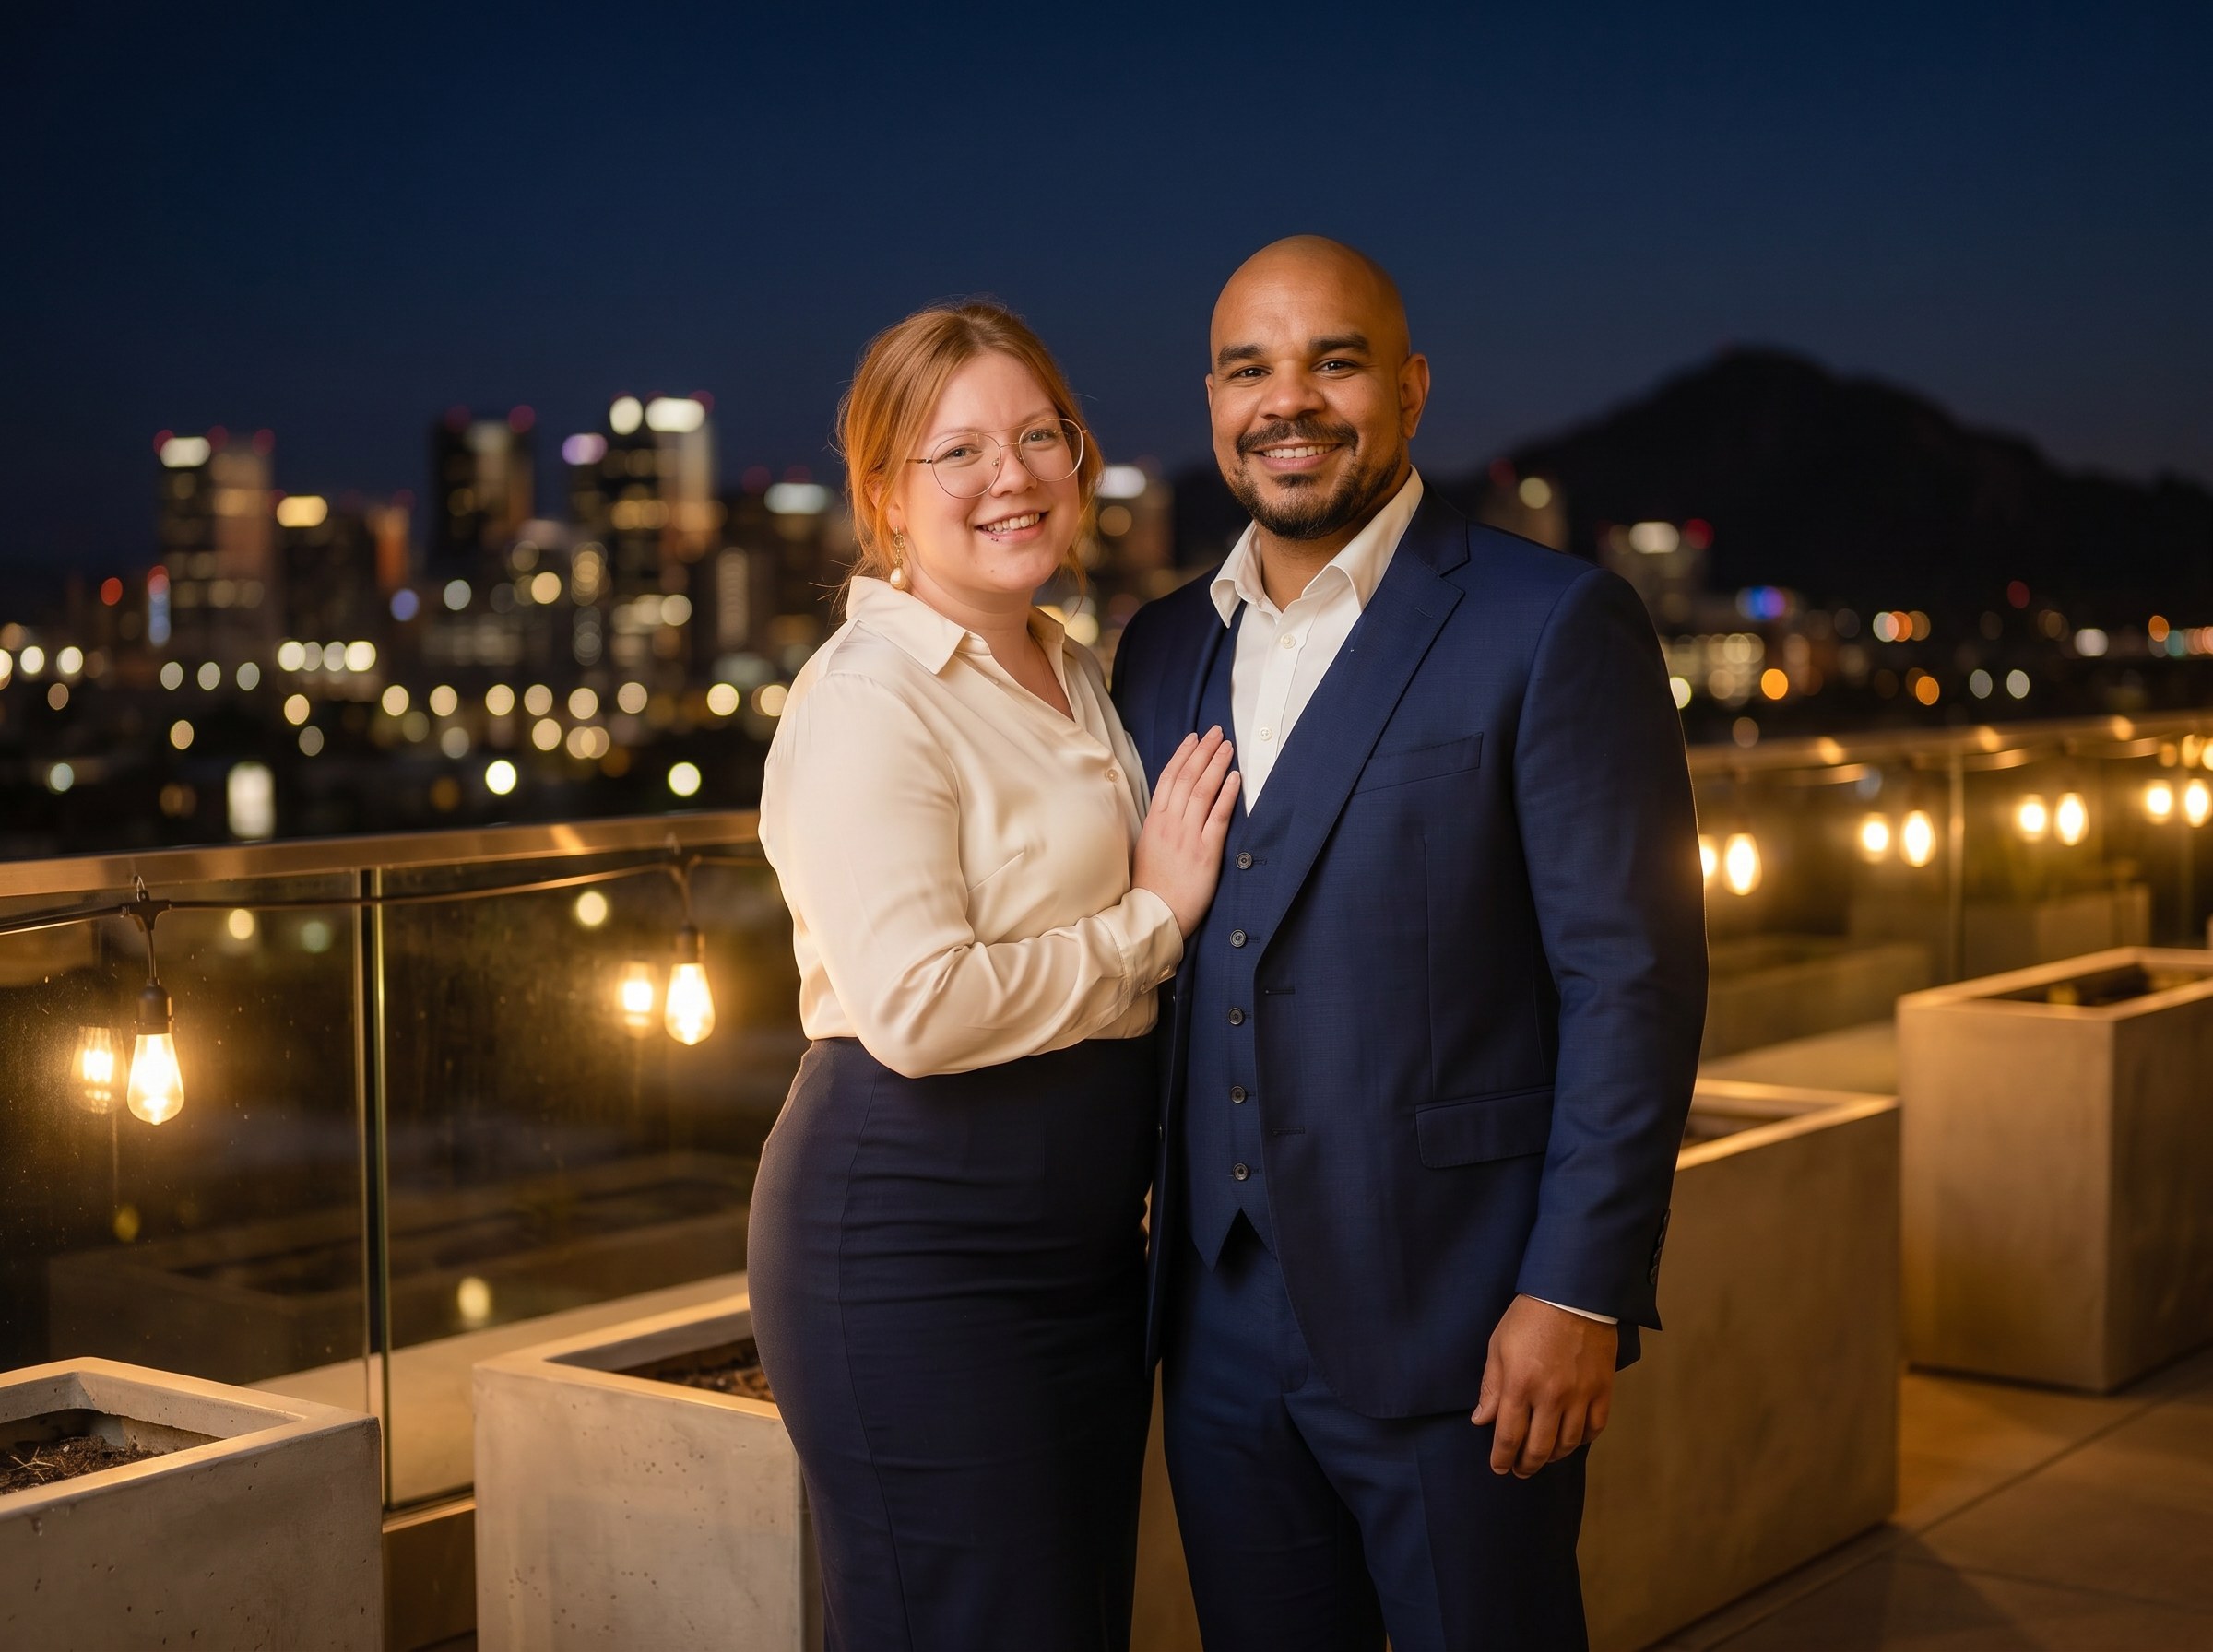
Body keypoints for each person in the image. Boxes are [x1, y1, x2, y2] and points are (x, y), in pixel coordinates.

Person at [1110, 237, 1708, 1651]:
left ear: (1412, 388)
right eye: (1250, 369)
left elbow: (1630, 981)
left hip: (1463, 1315)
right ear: (1213, 402)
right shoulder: (1158, 648)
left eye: (1336, 361)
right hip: (1211, 1330)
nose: (1289, 400)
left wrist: (1575, 1287)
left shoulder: (1550, 623)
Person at [746, 301, 1240, 1651]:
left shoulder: (1070, 666)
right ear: (884, 494)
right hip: (916, 1241)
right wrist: (1153, 921)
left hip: (1081, 1244)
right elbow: (918, 1009)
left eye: (1038, 438)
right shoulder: (870, 697)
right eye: (957, 451)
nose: (1009, 477)